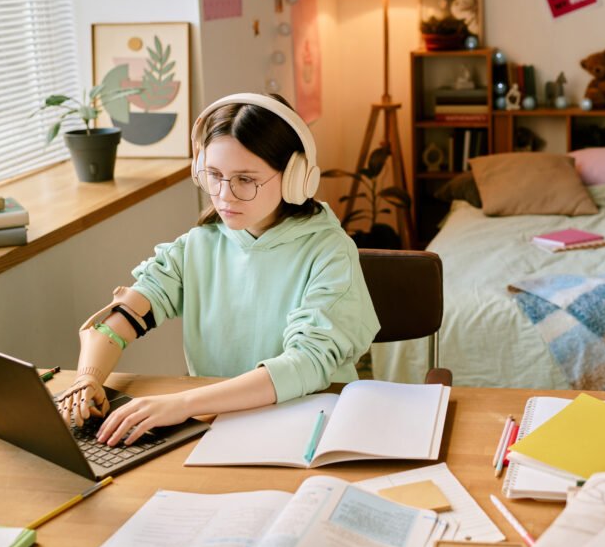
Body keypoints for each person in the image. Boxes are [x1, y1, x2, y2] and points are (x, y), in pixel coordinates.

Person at [57, 92, 380, 445]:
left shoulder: (330, 253)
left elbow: (305, 365)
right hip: (218, 424)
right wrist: (87, 377)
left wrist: (182, 404)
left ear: (296, 177)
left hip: (311, 425)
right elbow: (121, 319)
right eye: (213, 175)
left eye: (245, 180)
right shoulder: (199, 245)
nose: (224, 196)